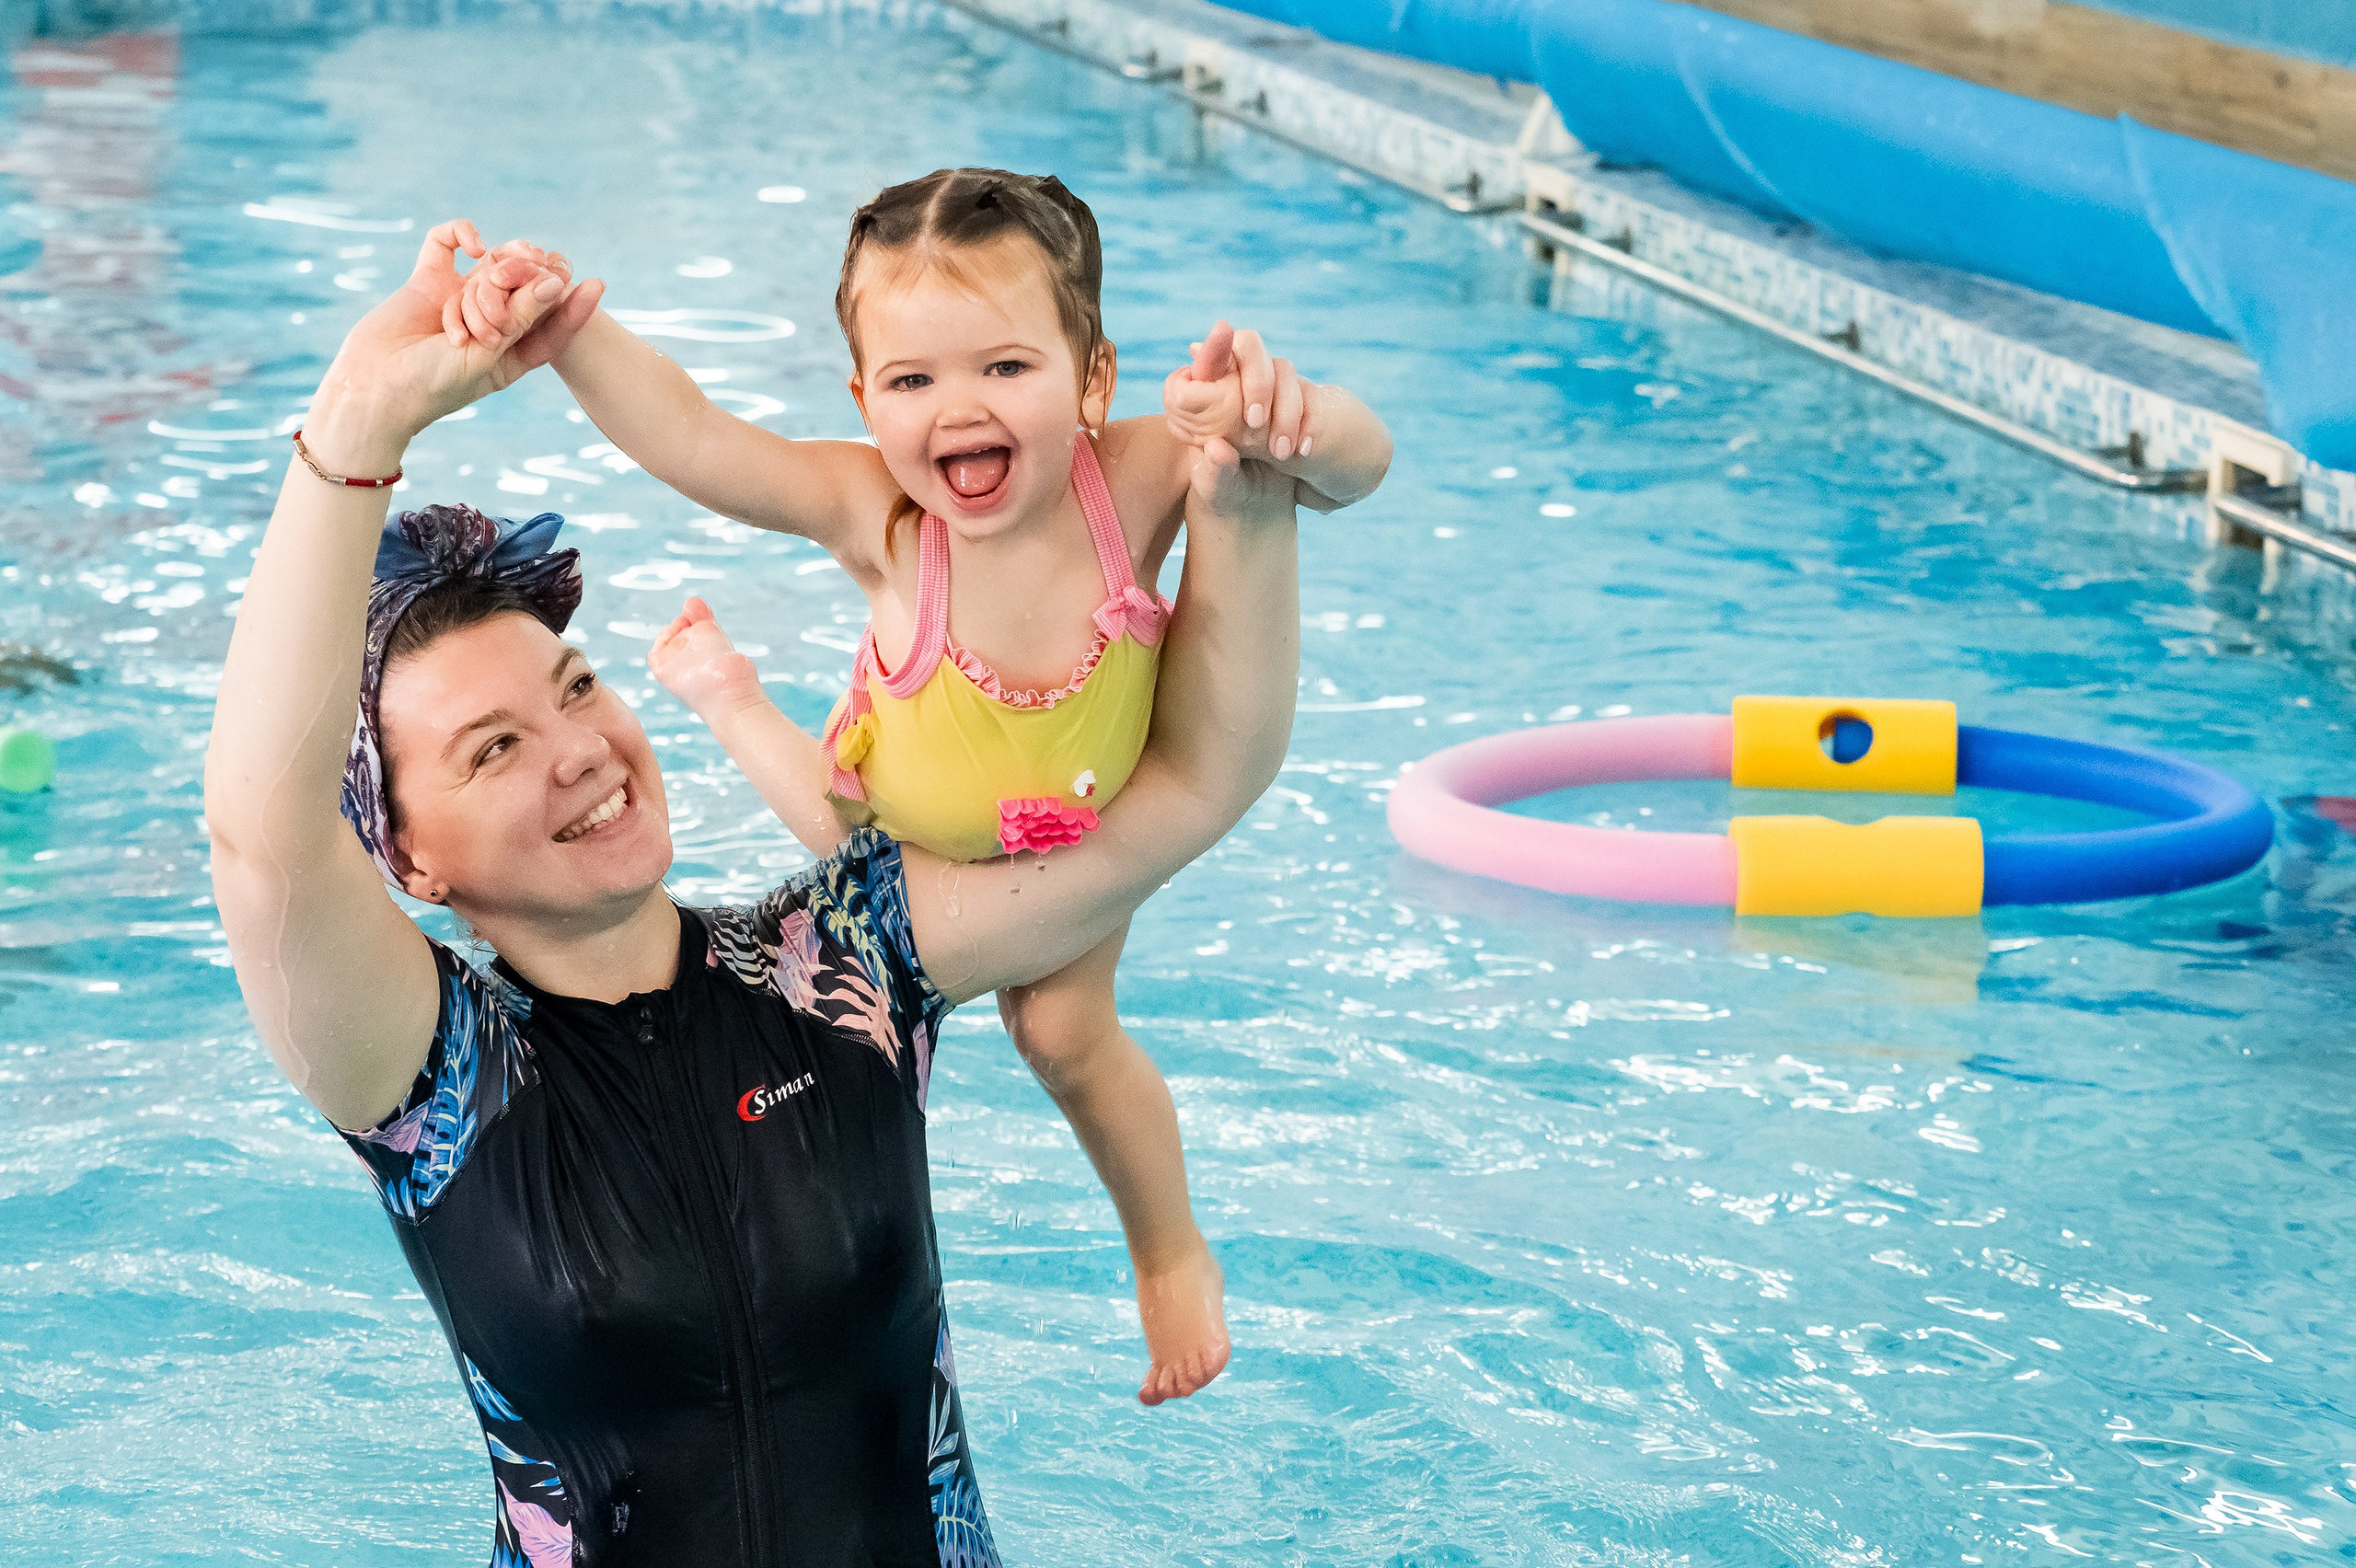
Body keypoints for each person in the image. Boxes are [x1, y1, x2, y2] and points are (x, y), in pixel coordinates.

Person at [202, 221, 1302, 1568]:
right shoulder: (428, 1081)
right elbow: (263, 838)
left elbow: (1190, 790)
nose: (580, 752)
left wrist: (1243, 502)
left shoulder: (847, 960)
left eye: (578, 689)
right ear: (410, 860)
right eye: (493, 750)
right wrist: (355, 427)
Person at [448, 169, 1391, 1404]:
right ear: (864, 400)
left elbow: (1356, 471)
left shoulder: (1145, 474)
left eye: (1005, 369)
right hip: (902, 807)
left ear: (1092, 379)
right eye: (912, 381)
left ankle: (1169, 1254)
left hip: (1067, 814)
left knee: (1065, 1035)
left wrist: (1296, 420)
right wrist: (571, 335)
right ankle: (728, 695)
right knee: (828, 838)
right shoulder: (882, 518)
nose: (959, 410)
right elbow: (701, 443)